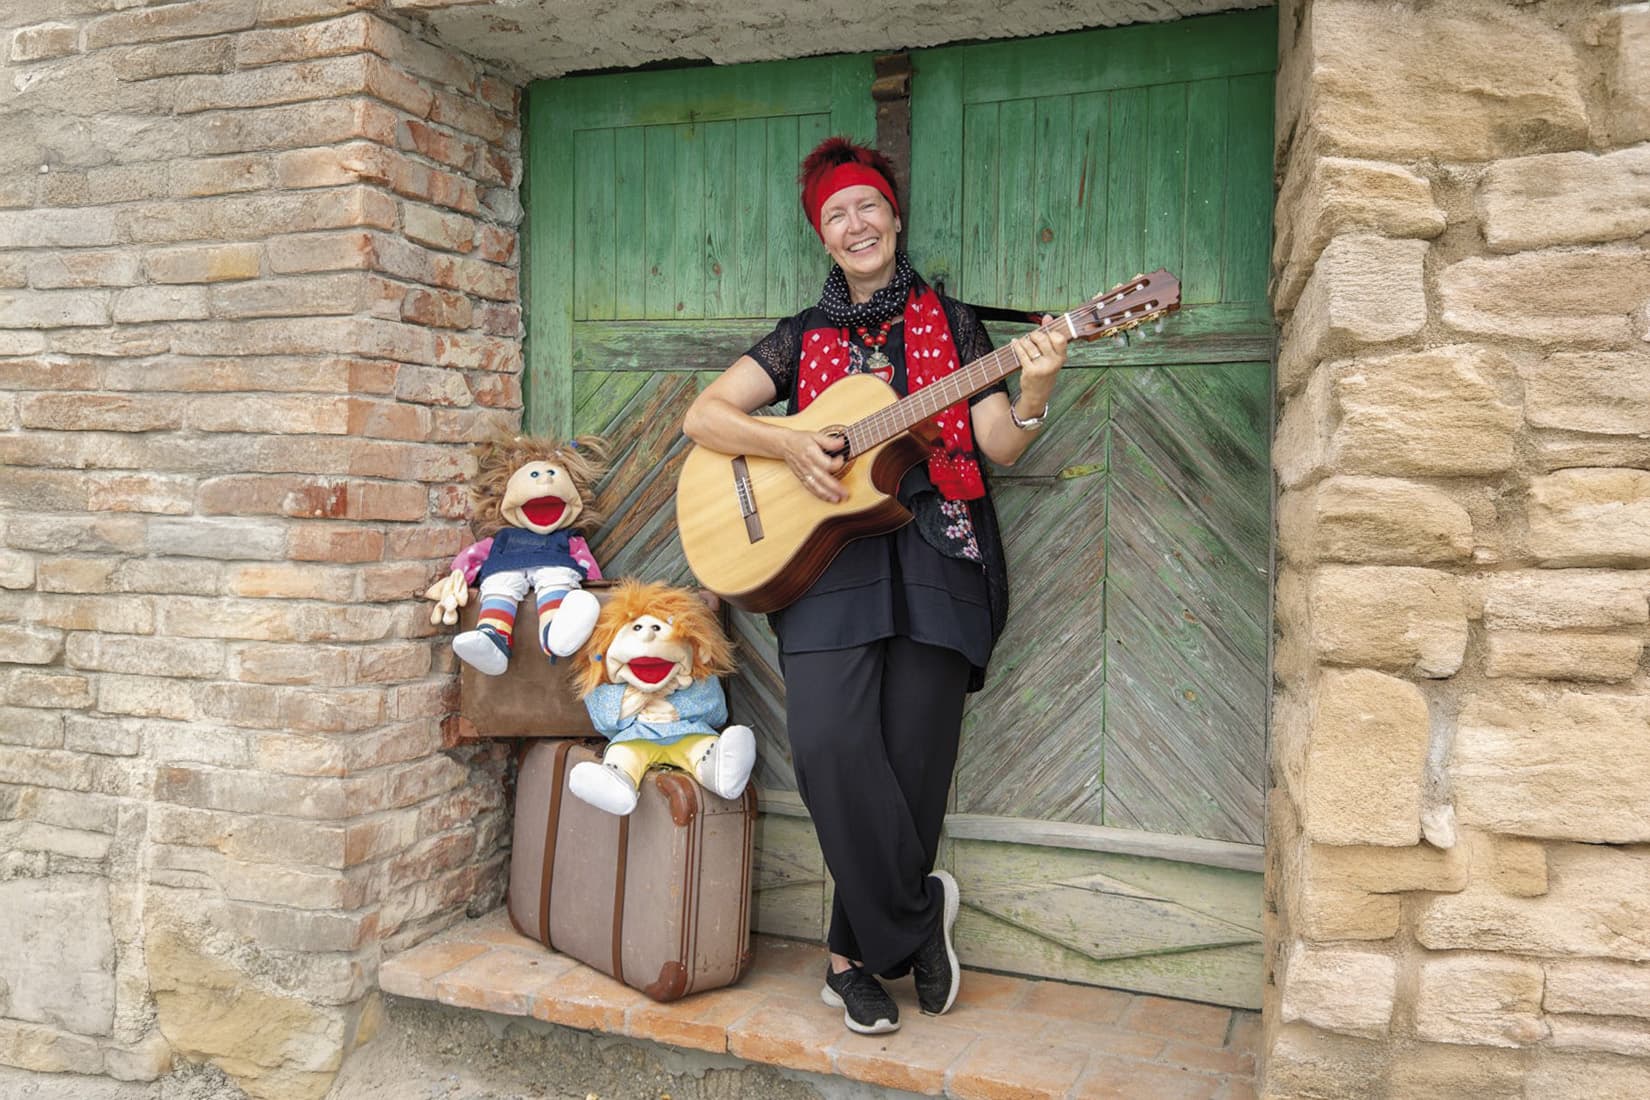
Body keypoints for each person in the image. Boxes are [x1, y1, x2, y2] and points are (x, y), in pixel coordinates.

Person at [681, 137, 1069, 1035]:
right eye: (836, 215)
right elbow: (704, 414)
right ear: (825, 238)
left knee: (911, 765)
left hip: (939, 548)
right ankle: (918, 921)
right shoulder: (801, 337)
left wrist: (1036, 389)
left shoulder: (959, 326)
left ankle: (851, 959)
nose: (856, 225)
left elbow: (999, 448)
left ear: (895, 217)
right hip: (826, 561)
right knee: (828, 750)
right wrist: (785, 441)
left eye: (868, 207)